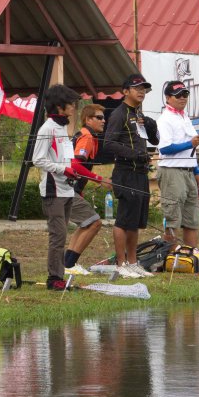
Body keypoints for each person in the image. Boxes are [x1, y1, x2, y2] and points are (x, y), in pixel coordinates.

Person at [32, 85, 107, 290]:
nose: (74, 107)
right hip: (53, 190)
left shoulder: (63, 128)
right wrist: (63, 170)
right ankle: (54, 279)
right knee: (58, 236)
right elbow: (38, 159)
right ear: (59, 106)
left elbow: (69, 161)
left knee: (62, 234)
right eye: (71, 104)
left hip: (66, 190)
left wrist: (72, 171)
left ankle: (59, 275)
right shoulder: (47, 128)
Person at [103, 74, 158, 279]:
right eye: (137, 88)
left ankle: (133, 262)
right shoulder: (119, 114)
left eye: (144, 88)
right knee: (124, 220)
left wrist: (153, 128)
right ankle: (120, 264)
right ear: (125, 91)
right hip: (125, 172)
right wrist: (134, 154)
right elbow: (108, 143)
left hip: (141, 173)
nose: (141, 91)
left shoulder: (138, 113)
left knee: (135, 221)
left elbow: (153, 139)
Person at [63, 103, 111, 276]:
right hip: (64, 188)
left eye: (103, 117)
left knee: (86, 223)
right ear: (88, 119)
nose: (103, 121)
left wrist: (80, 189)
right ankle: (69, 265)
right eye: (99, 117)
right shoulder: (87, 137)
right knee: (94, 223)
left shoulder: (89, 136)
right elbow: (75, 164)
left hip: (70, 189)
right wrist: (100, 179)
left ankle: (67, 264)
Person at [156, 80, 199, 248]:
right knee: (172, 219)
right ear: (168, 98)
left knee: (192, 219)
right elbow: (165, 148)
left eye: (185, 94)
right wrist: (189, 144)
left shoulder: (184, 117)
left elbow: (192, 147)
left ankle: (191, 257)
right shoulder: (165, 119)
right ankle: (169, 257)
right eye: (178, 95)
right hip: (171, 172)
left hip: (189, 172)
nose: (183, 98)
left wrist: (197, 169)